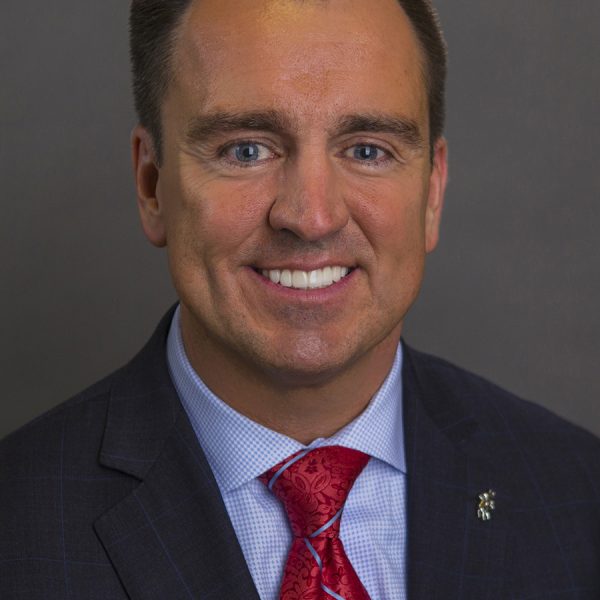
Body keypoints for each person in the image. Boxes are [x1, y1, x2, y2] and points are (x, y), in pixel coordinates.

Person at [1, 0, 599, 598]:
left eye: (367, 150)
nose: (312, 218)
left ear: (432, 193)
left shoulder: (579, 496)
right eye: (246, 150)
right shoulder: (17, 527)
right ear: (152, 185)